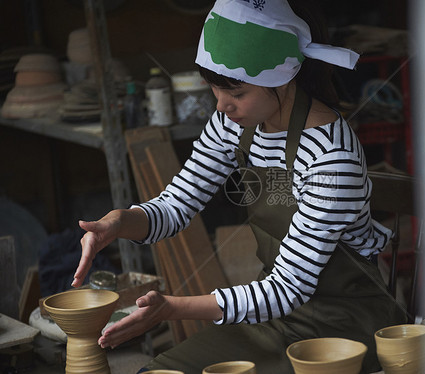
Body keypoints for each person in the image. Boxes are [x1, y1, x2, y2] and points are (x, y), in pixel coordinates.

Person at [72, 0, 406, 372]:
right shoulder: (233, 123)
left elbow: (288, 288)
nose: (222, 106)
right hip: (270, 315)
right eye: (214, 89)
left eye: (236, 92)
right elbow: (175, 207)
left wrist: (173, 310)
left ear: (281, 77)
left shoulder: (332, 158)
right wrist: (118, 222)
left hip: (344, 328)